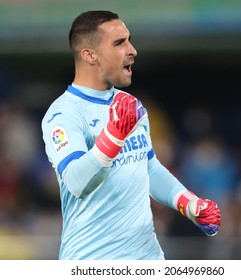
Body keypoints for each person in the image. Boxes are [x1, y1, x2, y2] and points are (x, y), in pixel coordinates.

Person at [41, 10, 221, 260]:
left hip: (147, 260)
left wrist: (188, 204)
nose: (132, 50)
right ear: (90, 55)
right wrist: (113, 137)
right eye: (119, 43)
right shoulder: (62, 114)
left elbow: (149, 168)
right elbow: (77, 182)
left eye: (129, 40)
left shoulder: (130, 105)